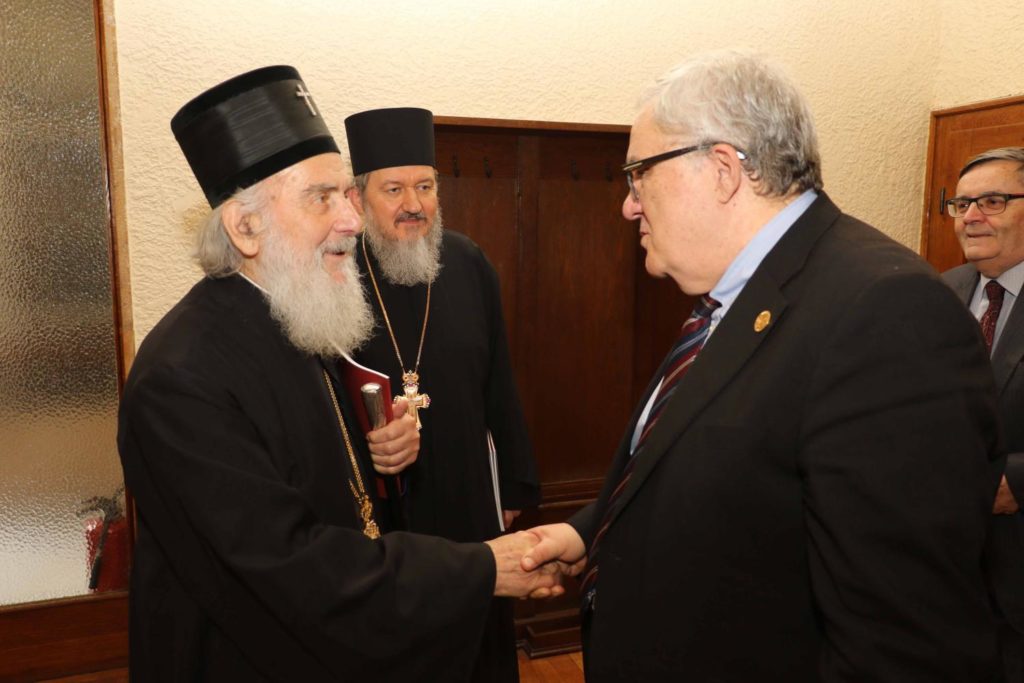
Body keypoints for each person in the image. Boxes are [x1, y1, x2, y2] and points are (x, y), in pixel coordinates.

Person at [521, 50, 1001, 682]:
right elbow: (725, 471)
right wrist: (589, 533)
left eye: (638, 174)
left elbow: (905, 642)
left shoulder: (887, 314)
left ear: (722, 169)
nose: (628, 205)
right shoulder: (735, 295)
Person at [118, 65, 559, 682]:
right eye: (323, 198)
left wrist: (384, 455)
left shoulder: (297, 323)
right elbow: (288, 565)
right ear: (244, 227)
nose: (352, 221)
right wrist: (483, 569)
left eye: (345, 196)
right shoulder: (181, 379)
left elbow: (332, 483)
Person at [342, 106, 540, 682]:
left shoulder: (469, 261)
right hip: (382, 501)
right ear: (359, 199)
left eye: (425, 186)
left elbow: (500, 377)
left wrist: (517, 482)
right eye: (395, 188)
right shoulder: (337, 275)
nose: (414, 204)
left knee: (477, 643)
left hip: (466, 490)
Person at [943, 146, 1024, 683]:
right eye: (961, 203)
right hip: (943, 572)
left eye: (993, 201)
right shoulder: (934, 293)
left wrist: (1016, 479)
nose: (971, 216)